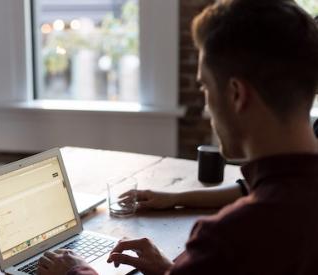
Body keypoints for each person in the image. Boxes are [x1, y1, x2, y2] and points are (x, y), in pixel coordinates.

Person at [37, 0, 318, 274]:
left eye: (205, 87)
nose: (207, 108)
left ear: (236, 95)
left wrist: (76, 270)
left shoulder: (231, 238)